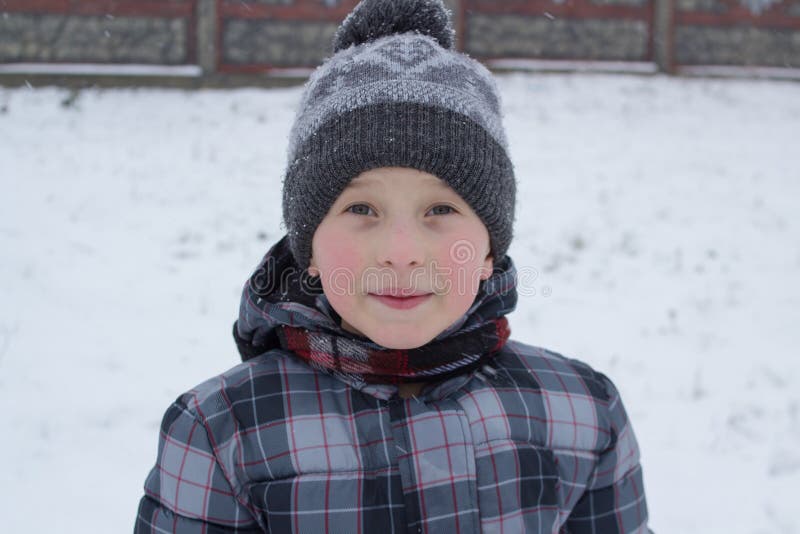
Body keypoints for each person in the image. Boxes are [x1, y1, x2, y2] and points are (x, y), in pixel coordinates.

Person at [134, 0, 650, 532]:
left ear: (490, 251)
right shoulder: (223, 432)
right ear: (308, 249)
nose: (401, 250)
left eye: (441, 209)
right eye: (361, 209)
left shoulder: (580, 414)